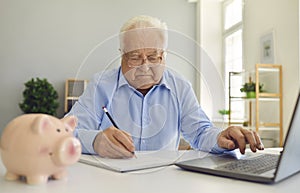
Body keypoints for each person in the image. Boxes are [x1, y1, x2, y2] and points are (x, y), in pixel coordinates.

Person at [67, 15, 264, 158]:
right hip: (109, 181)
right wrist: (95, 141)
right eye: (135, 57)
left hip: (164, 182)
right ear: (122, 54)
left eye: (153, 57)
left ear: (164, 55)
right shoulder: (101, 85)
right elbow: (66, 132)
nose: (145, 66)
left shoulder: (180, 87)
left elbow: (201, 132)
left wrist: (221, 137)